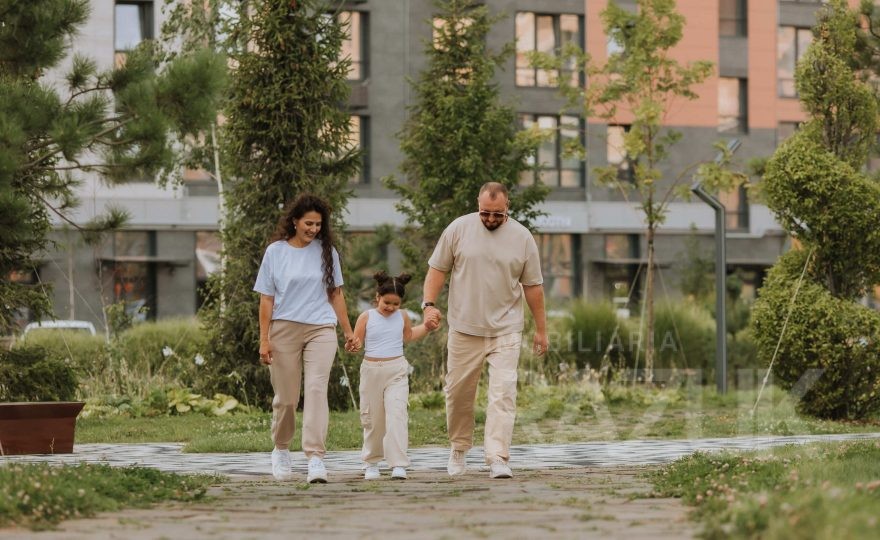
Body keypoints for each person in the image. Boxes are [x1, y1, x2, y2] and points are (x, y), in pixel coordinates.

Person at [422, 182, 548, 479]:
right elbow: (437, 270)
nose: (490, 219)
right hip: (465, 328)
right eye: (485, 213)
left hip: (506, 328)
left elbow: (533, 287)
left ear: (508, 207)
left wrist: (541, 330)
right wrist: (429, 304)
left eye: (497, 215)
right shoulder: (458, 229)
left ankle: (497, 457)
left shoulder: (522, 237)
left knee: (503, 394)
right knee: (458, 394)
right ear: (477, 205)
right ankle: (459, 447)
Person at [254, 194, 359, 483]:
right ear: (294, 221)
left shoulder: (327, 251)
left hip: (321, 329)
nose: (313, 229)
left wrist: (348, 331)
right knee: (286, 398)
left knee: (315, 390)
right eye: (308, 223)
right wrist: (264, 339)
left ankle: (315, 458)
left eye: (318, 224)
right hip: (284, 328)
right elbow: (266, 299)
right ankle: (281, 449)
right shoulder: (275, 252)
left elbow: (336, 294)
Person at [348, 271, 434, 480]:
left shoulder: (402, 316)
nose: (391, 308)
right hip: (371, 371)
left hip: (396, 370)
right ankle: (371, 462)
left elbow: (409, 335)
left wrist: (427, 327)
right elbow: (356, 342)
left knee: (397, 415)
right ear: (378, 297)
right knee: (373, 419)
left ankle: (398, 464)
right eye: (387, 302)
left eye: (396, 304)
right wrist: (352, 344)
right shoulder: (367, 316)